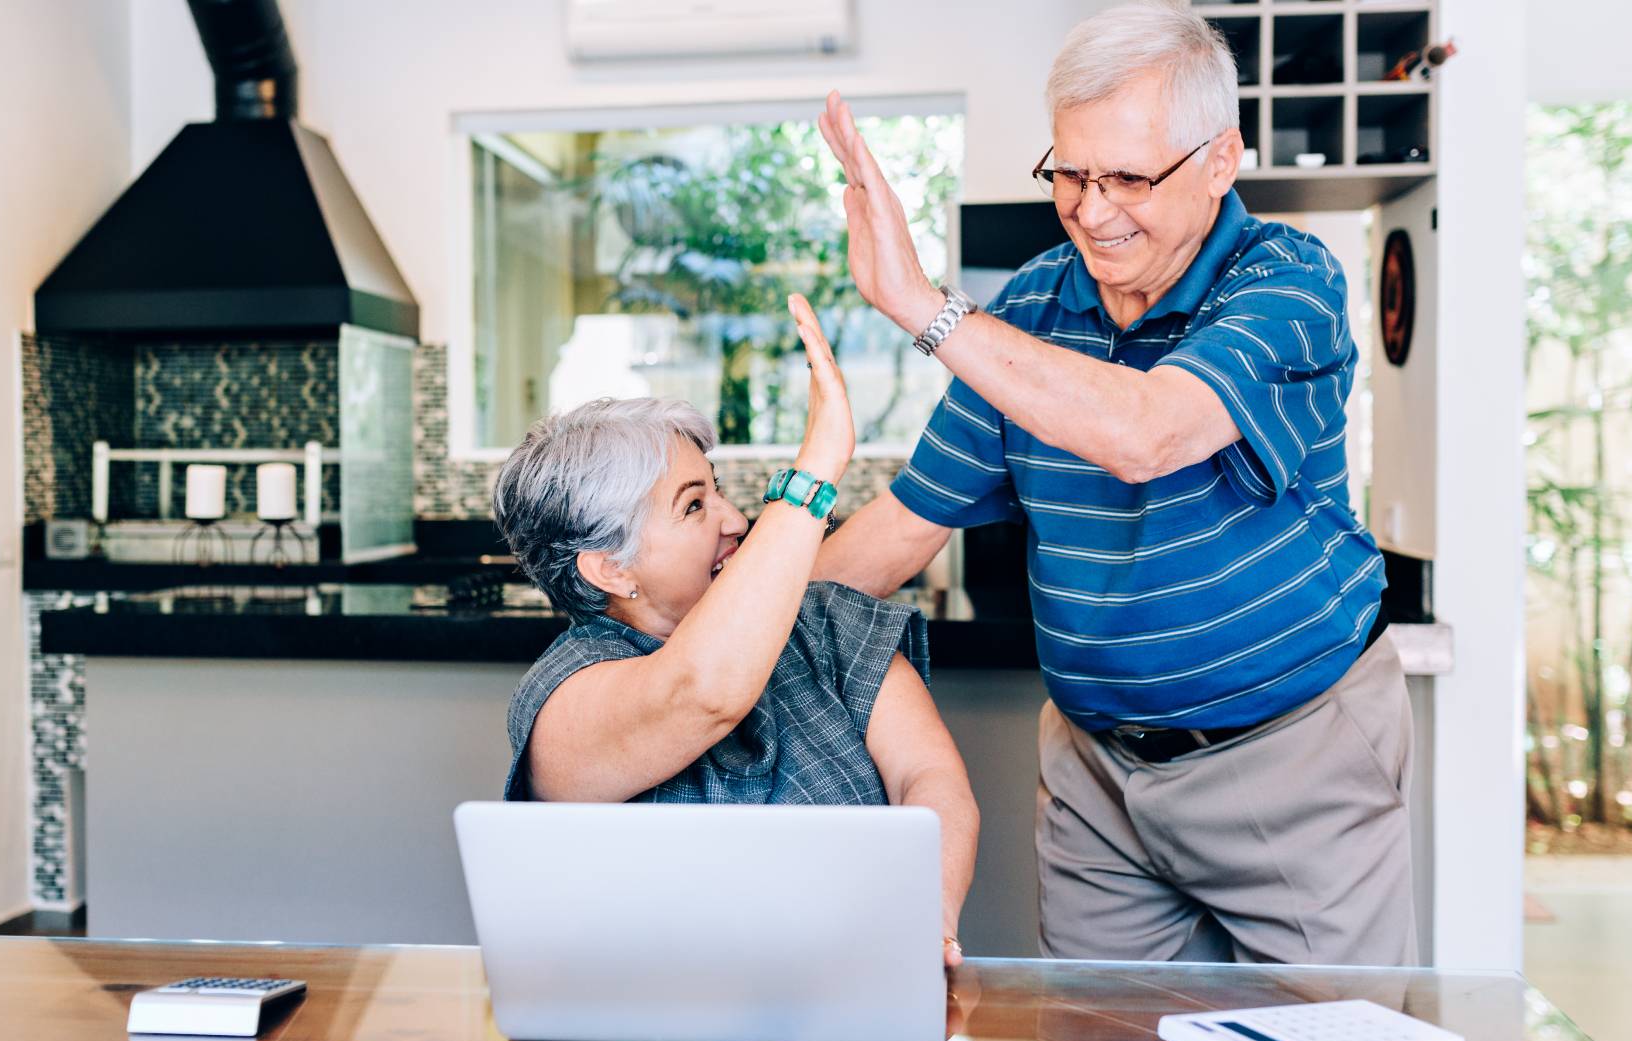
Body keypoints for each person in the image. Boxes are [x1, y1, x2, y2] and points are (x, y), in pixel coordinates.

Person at [810, 1, 1414, 965]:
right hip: (1098, 775)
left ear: (1222, 161)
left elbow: (1149, 431)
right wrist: (711, 645)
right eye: (1072, 173)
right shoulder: (1034, 307)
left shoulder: (1289, 283)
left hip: (1296, 756)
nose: (1093, 209)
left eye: (1129, 176)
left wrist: (917, 303)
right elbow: (903, 526)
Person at [493, 295, 980, 967]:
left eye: (717, 489)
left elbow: (929, 778)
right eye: (694, 505)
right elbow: (700, 692)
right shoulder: (565, 700)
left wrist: (928, 912)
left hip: (853, 982)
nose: (735, 519)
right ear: (611, 567)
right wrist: (815, 471)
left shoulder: (822, 621)